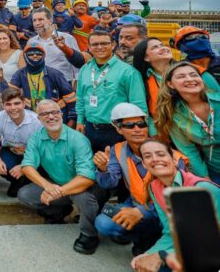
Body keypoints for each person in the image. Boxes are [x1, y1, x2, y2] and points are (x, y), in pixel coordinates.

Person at [93, 103, 187, 256]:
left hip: (165, 208)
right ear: (118, 129)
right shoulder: (118, 150)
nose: (137, 129)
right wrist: (103, 169)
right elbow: (110, 183)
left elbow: (179, 199)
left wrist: (142, 212)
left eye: (141, 124)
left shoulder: (167, 152)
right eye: (129, 126)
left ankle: (153, 239)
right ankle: (143, 236)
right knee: (103, 223)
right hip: (136, 201)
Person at [18, 99, 101, 255]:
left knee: (86, 199)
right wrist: (47, 186)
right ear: (39, 118)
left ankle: (89, 235)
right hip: (56, 184)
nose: (50, 116)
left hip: (79, 187)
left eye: (54, 112)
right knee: (25, 194)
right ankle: (59, 212)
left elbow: (87, 177)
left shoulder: (78, 139)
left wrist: (57, 192)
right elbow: (27, 166)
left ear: (61, 114)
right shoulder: (36, 138)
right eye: (44, 114)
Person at [129, 139, 220, 272]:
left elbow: (210, 241)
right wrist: (149, 254)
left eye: (161, 154)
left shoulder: (202, 189)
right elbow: (170, 232)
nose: (154, 159)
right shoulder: (154, 188)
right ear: (144, 164)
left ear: (174, 159)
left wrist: (162, 255)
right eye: (148, 156)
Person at [76, 31, 147, 153]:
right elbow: (81, 98)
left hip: (117, 130)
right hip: (90, 129)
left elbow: (138, 105)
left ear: (113, 45)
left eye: (104, 43)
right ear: (89, 47)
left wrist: (138, 130)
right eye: (95, 44)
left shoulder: (128, 72)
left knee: (118, 167)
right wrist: (79, 121)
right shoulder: (85, 69)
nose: (99, 47)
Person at [155, 62, 220, 183]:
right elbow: (189, 151)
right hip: (214, 170)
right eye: (181, 77)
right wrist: (206, 180)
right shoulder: (174, 115)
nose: (190, 79)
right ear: (170, 84)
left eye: (193, 75)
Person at [0, 88, 42, 197]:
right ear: (3, 105)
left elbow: (41, 150)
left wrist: (23, 166)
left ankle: (27, 179)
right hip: (10, 150)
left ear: (24, 103)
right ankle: (17, 180)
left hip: (32, 154)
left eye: (17, 103)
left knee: (37, 167)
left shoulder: (36, 122)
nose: (13, 108)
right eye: (8, 104)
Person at [9, 42, 77, 126]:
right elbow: (9, 94)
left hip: (54, 119)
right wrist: (1, 80)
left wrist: (71, 122)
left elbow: (71, 99)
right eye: (31, 54)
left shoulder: (55, 74)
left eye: (38, 53)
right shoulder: (19, 74)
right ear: (25, 56)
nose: (35, 56)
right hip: (31, 119)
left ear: (44, 56)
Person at [28, 8, 80, 83]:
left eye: (40, 19)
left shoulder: (67, 38)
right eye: (34, 20)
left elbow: (77, 64)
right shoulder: (31, 41)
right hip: (39, 84)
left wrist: (78, 84)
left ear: (50, 21)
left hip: (63, 83)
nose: (37, 23)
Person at [132, 38, 174, 118]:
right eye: (155, 47)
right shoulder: (140, 79)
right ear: (146, 58)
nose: (163, 48)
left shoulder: (188, 71)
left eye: (162, 45)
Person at [170, 25, 220, 90]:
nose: (199, 39)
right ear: (181, 46)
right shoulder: (178, 68)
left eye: (203, 36)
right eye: (191, 37)